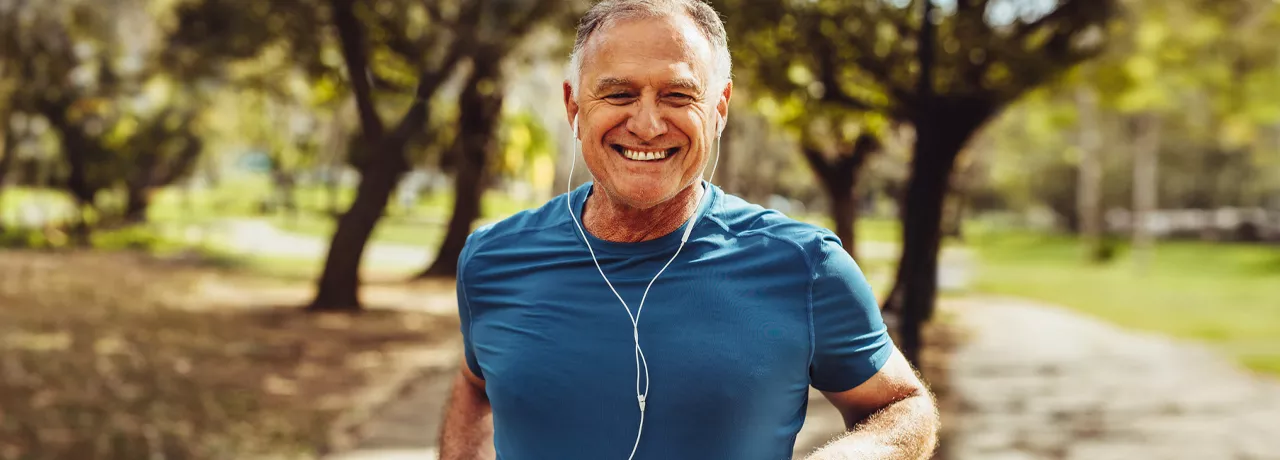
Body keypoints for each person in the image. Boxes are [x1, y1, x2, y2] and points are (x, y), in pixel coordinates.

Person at [438, 1, 939, 458]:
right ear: (574, 106)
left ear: (719, 108)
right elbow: (476, 383)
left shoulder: (805, 265)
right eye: (619, 93)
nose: (648, 124)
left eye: (678, 94)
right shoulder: (491, 259)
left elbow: (902, 406)